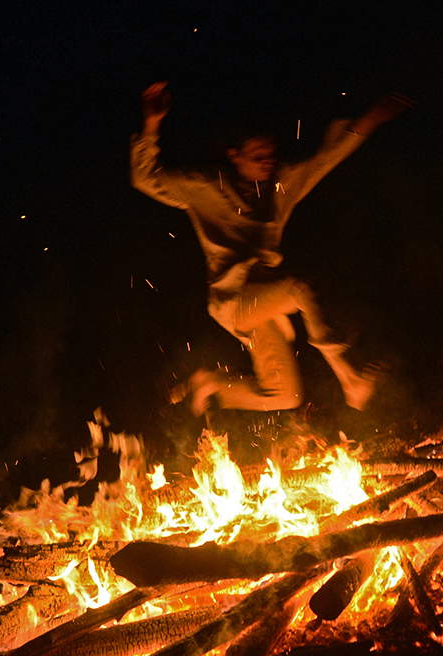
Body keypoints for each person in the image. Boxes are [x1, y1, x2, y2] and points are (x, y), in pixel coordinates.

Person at [132, 81, 412, 414]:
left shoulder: (280, 184)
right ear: (234, 157)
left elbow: (327, 158)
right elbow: (145, 177)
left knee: (285, 395)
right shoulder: (205, 186)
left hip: (264, 303)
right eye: (258, 157)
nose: (268, 164)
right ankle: (349, 377)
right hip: (233, 300)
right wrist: (152, 123)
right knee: (300, 289)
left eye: (271, 156)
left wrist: (373, 118)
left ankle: (211, 386)